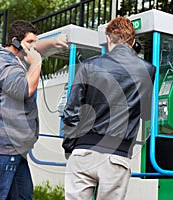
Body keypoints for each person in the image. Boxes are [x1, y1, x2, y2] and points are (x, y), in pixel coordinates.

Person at [0, 20, 68, 200]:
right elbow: (25, 89)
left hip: (10, 147)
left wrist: (53, 42)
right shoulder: (2, 61)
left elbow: (33, 49)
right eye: (29, 43)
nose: (33, 48)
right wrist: (37, 63)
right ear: (15, 41)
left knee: (22, 195)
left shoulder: (13, 60)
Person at [62, 16, 156, 200]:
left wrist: (70, 146)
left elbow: (70, 111)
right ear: (133, 42)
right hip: (117, 155)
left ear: (108, 39)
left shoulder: (89, 66)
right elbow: (145, 114)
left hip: (83, 150)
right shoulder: (148, 70)